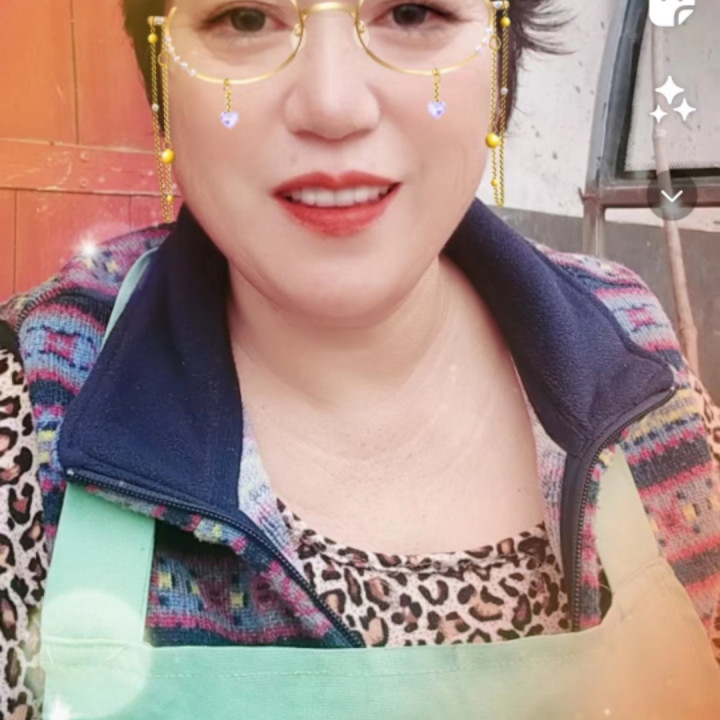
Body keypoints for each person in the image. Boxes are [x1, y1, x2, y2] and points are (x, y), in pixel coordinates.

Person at [1, 0, 719, 717]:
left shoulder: (630, 342)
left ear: (500, 64)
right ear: (160, 75)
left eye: (411, 12)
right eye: (245, 19)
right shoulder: (27, 402)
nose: (333, 105)